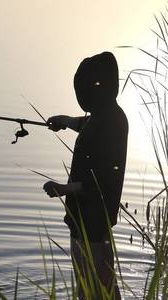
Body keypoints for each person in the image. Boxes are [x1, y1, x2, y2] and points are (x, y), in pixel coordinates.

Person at [43, 52, 128, 299]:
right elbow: (89, 125)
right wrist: (66, 120)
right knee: (106, 285)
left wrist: (63, 188)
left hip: (91, 218)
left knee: (88, 287)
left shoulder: (109, 121)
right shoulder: (110, 114)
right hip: (96, 217)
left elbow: (102, 180)